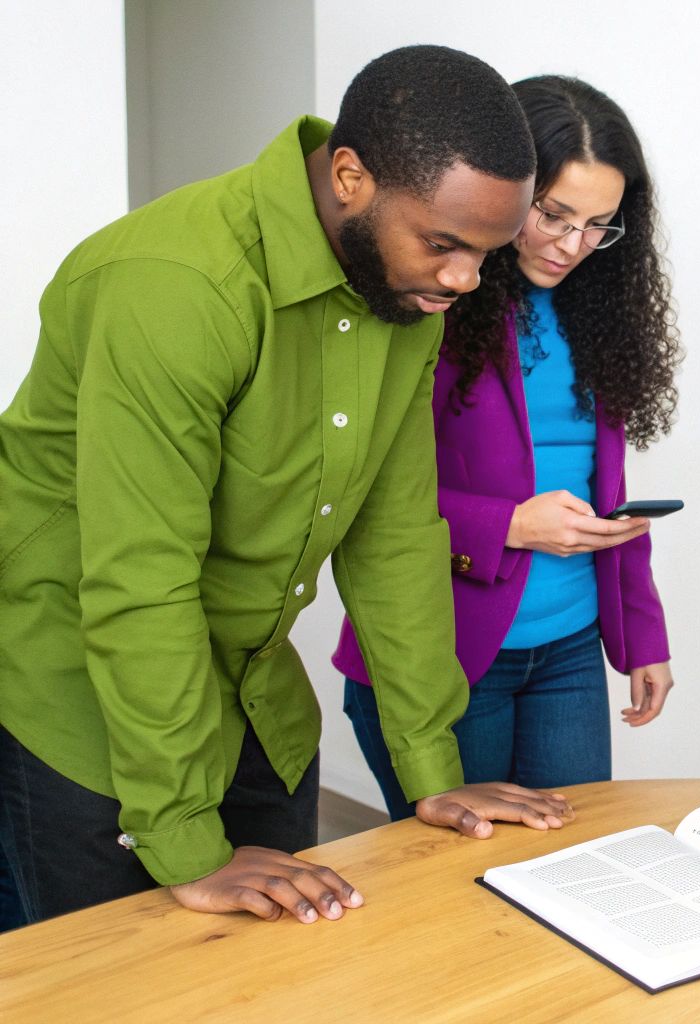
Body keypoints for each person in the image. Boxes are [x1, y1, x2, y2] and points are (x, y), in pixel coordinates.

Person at [0, 45, 575, 928]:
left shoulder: (408, 289)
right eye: (445, 244)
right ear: (349, 177)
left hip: (253, 700)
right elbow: (140, 578)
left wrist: (430, 767)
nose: (464, 280)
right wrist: (188, 841)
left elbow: (394, 533)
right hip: (79, 710)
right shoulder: (177, 286)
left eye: (485, 254)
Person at [334, 76, 682, 820]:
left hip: (569, 647)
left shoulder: (601, 314)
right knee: (462, 895)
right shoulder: (428, 299)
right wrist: (511, 526)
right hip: (446, 648)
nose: (572, 245)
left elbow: (603, 484)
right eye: (553, 215)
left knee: (577, 865)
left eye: (599, 225)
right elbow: (360, 492)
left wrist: (643, 633)